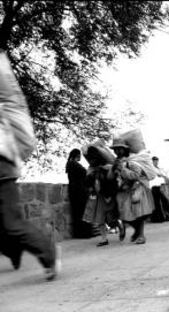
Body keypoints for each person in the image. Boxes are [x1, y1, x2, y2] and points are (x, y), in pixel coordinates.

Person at [0, 50, 60, 280]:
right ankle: (14, 251)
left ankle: (48, 253)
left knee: (12, 224)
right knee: (4, 226)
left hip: (2, 170)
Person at [109, 134, 156, 245]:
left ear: (125, 149)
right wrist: (114, 169)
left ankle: (141, 235)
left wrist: (122, 169)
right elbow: (111, 177)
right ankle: (136, 231)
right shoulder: (116, 161)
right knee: (125, 215)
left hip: (135, 190)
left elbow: (136, 175)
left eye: (119, 149)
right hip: (122, 192)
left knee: (138, 215)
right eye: (115, 149)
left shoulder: (133, 161)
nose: (117, 152)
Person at [82, 146, 124, 247]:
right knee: (99, 219)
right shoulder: (91, 170)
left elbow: (111, 180)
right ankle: (104, 239)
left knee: (110, 218)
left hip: (107, 196)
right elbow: (87, 183)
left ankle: (119, 226)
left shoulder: (106, 167)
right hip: (98, 197)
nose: (92, 161)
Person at [65, 148, 98, 238]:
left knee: (77, 213)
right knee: (82, 212)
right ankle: (85, 233)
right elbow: (85, 174)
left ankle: (80, 233)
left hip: (74, 190)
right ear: (77, 155)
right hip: (79, 191)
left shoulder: (69, 164)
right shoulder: (74, 164)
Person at [150, 156, 169, 222]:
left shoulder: (158, 168)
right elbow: (159, 174)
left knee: (164, 201)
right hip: (153, 187)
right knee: (157, 203)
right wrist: (162, 175)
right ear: (152, 161)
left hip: (159, 187)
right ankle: (159, 218)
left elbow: (163, 175)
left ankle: (167, 216)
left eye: (157, 161)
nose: (156, 162)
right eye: (155, 161)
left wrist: (168, 179)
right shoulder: (151, 168)